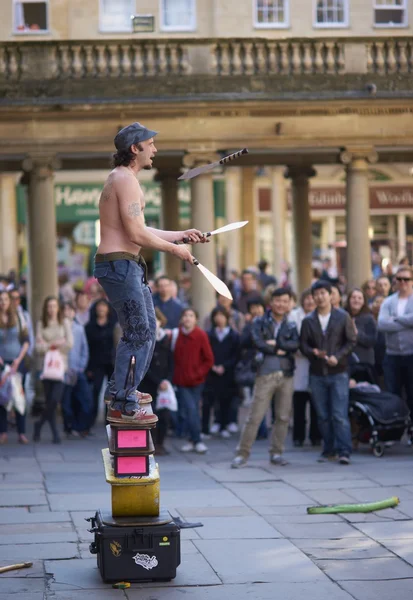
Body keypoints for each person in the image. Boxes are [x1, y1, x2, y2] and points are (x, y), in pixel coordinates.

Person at [92, 121, 205, 424]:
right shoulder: (125, 179)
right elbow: (137, 234)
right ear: (134, 148)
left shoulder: (123, 178)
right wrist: (175, 251)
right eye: (151, 143)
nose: (155, 149)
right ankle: (122, 395)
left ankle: (124, 390)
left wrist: (181, 235)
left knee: (147, 331)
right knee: (139, 332)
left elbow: (140, 229)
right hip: (119, 264)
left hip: (125, 265)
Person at [231, 288, 299, 468]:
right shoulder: (259, 322)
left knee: (283, 417)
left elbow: (295, 345)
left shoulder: (291, 324)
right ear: (271, 302)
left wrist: (276, 344)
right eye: (278, 300)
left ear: (289, 303)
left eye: (285, 301)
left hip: (286, 374)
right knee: (255, 416)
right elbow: (258, 342)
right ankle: (242, 454)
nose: (281, 304)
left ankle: (277, 453)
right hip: (265, 373)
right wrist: (279, 349)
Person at [300, 280, 356, 465]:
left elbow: (351, 341)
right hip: (317, 373)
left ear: (331, 295)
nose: (320, 297)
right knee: (322, 415)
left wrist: (338, 356)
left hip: (338, 371)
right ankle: (328, 449)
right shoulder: (308, 320)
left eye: (323, 293)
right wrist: (313, 352)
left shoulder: (342, 316)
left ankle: (344, 450)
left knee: (339, 414)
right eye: (316, 294)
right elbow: (303, 345)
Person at [172, 308, 214, 453]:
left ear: (196, 319)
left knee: (193, 410)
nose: (188, 318)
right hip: (181, 380)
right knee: (189, 410)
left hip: (197, 381)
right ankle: (194, 439)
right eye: (185, 316)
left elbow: (209, 359)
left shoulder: (201, 335)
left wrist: (198, 373)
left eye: (191, 316)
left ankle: (196, 440)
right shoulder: (176, 334)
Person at [34, 296, 73, 443]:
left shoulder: (65, 323)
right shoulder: (41, 324)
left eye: (54, 306)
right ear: (46, 308)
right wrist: (56, 343)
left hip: (60, 367)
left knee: (55, 400)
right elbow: (38, 347)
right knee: (49, 400)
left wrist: (48, 343)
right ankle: (55, 433)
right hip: (45, 368)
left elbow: (69, 343)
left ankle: (39, 424)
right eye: (49, 306)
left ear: (58, 308)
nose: (51, 309)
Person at [378, 266, 413, 415]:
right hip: (392, 356)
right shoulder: (388, 301)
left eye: (406, 279)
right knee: (393, 395)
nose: (403, 282)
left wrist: (396, 319)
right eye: (399, 279)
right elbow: (381, 324)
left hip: (411, 355)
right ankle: (396, 431)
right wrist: (406, 323)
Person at [139, 308, 174, 455]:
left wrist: (167, 380)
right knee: (148, 415)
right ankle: (149, 443)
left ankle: (160, 443)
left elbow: (172, 362)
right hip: (148, 383)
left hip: (164, 385)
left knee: (164, 415)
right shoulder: (143, 340)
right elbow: (144, 365)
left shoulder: (166, 339)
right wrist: (159, 380)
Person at [289, 289, 320, 447]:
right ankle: (298, 436)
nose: (309, 301)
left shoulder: (319, 315)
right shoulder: (294, 315)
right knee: (299, 404)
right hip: (299, 364)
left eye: (312, 298)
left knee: (316, 404)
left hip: (316, 364)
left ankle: (316, 436)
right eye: (306, 298)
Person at [203, 307, 240, 439]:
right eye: (216, 315)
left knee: (226, 400)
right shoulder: (209, 334)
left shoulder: (233, 335)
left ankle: (224, 424)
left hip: (227, 373)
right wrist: (212, 365)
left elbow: (236, 355)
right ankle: (209, 426)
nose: (219, 318)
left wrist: (225, 366)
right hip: (211, 371)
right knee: (209, 400)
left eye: (222, 315)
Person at [0, 291, 30, 444]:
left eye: (5, 299)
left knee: (19, 397)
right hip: (1, 364)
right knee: (2, 398)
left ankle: (22, 432)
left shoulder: (19, 317)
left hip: (17, 363)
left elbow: (26, 341)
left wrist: (18, 360)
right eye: (1, 300)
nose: (3, 302)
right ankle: (3, 432)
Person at [62, 303, 92, 438]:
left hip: (78, 370)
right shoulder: (59, 329)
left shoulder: (79, 329)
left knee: (86, 400)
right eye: (65, 310)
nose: (67, 312)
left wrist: (81, 367)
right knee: (66, 404)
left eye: (70, 310)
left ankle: (79, 427)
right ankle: (68, 426)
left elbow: (84, 350)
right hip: (62, 372)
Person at [85, 299, 117, 428]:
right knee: (95, 391)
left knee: (111, 394)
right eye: (99, 307)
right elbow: (87, 347)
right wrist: (88, 367)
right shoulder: (89, 326)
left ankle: (109, 420)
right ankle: (90, 421)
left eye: (104, 307)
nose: (101, 309)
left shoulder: (114, 325)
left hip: (111, 363)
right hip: (96, 363)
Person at [345, 288, 377, 381]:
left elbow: (372, 341)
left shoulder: (369, 318)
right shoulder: (342, 316)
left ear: (364, 301)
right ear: (348, 300)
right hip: (345, 363)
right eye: (353, 297)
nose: (356, 300)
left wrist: (357, 333)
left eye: (359, 298)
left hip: (364, 364)